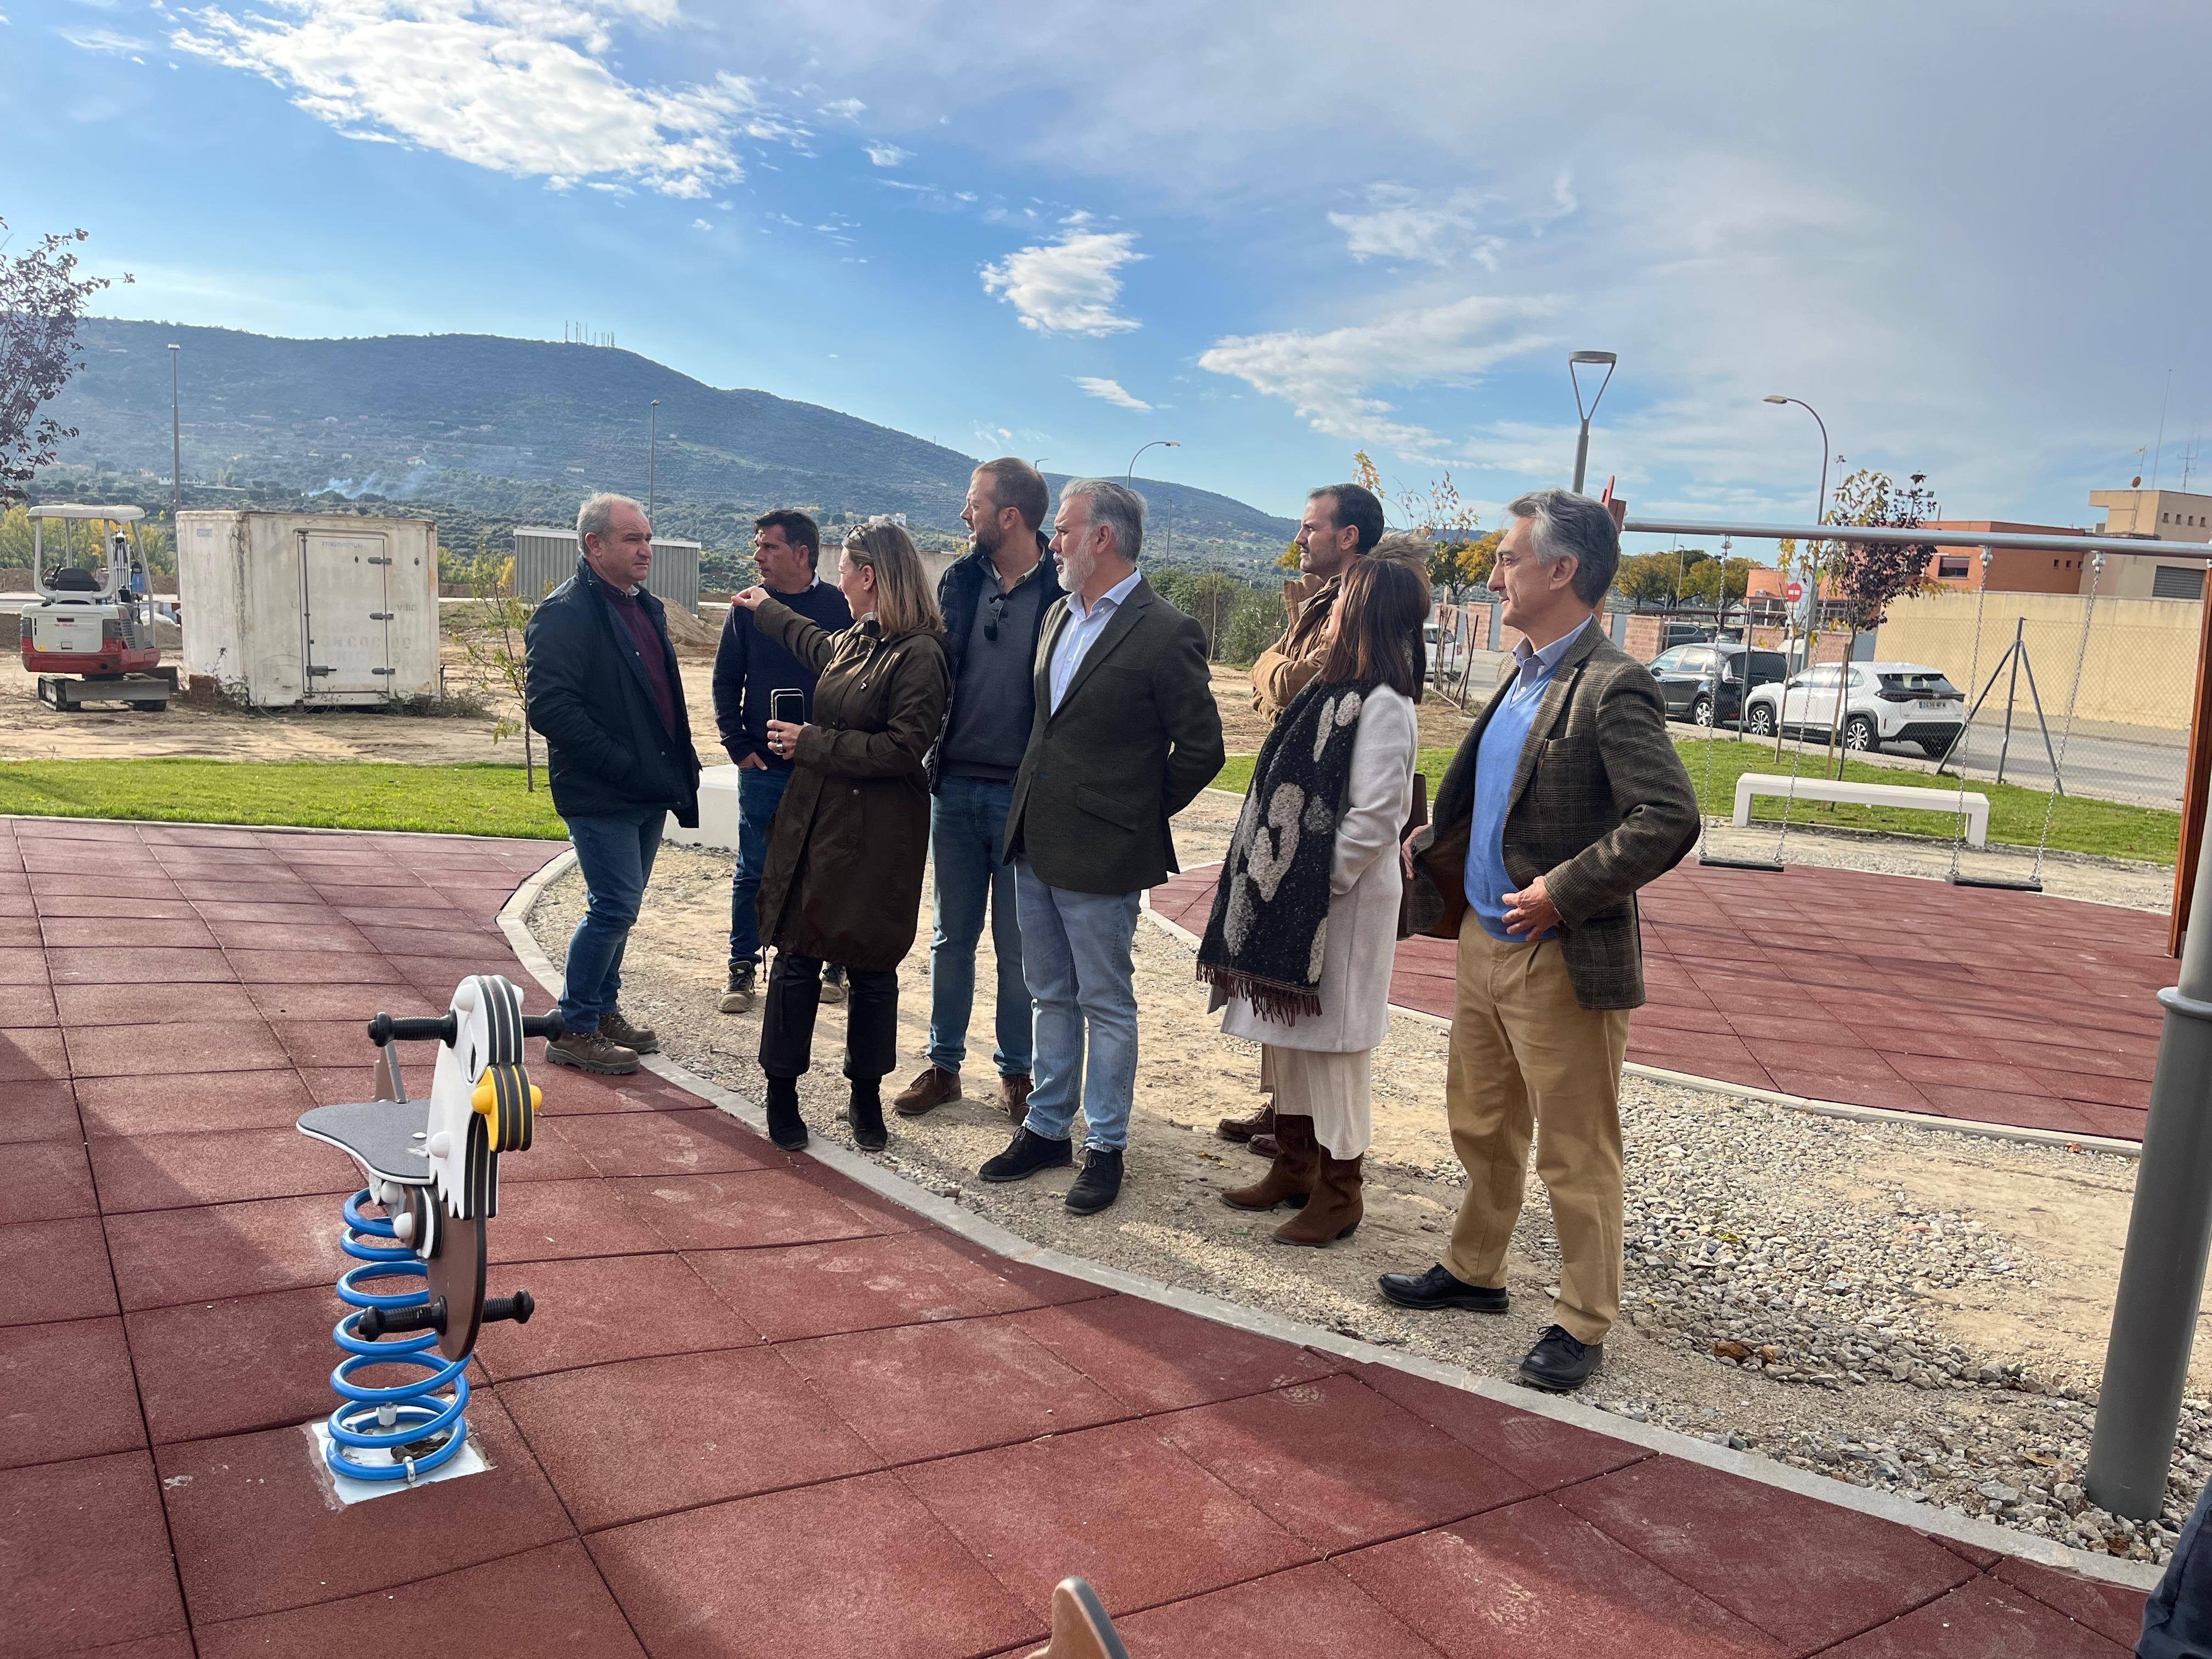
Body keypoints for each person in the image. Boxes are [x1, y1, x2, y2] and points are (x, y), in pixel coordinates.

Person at [1379, 488, 1699, 1393]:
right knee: (1481, 1121)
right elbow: (1505, 794)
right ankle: (1476, 1270)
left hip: (1556, 952)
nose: (1492, 574)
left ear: (1560, 571)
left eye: (1508, 558)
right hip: (1483, 939)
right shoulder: (1520, 672)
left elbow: (1669, 816)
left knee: (1573, 1144)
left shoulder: (1611, 682)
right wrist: (1437, 838)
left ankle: (1581, 1316)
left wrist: (1561, 892)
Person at [979, 479, 1224, 1215]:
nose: (1053, 541)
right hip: (1036, 841)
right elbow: (1047, 727)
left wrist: (1136, 816)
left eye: (1063, 528)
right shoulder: (1059, 614)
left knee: (1106, 1003)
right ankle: (1048, 1128)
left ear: (1103, 538)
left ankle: (1106, 1147)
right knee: (1049, 993)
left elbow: (1204, 746)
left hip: (1103, 853)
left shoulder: (1164, 629)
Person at [1199, 557, 1426, 1244]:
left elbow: (1376, 820)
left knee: (1337, 1050)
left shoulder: (1384, 705)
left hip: (1344, 907)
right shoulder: (1327, 695)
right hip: (1305, 905)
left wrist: (1306, 885)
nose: (1328, 617)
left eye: (1341, 606)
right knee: (1293, 1040)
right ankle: (1294, 1164)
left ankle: (1340, 1189)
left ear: (1365, 614)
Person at [729, 521, 950, 1153]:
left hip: (880, 840)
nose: (840, 583)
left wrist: (811, 742)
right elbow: (817, 646)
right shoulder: (858, 638)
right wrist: (767, 610)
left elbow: (907, 746)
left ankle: (865, 1099)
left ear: (871, 577)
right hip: (819, 825)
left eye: (846, 572)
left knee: (872, 968)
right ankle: (782, 1093)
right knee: (796, 959)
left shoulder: (922, 654)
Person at [1218, 481, 1387, 1152]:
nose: (1299, 537)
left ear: (1348, 537)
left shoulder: (1360, 607)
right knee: (1279, 969)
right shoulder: (1323, 601)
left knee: (1320, 993)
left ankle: (1320, 1144)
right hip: (1295, 798)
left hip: (1323, 821)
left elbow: (1291, 688)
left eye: (1311, 527)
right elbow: (1285, 696)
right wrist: (1280, 674)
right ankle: (1290, 1118)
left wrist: (1267, 663)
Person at [893, 459, 1062, 1124]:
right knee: (949, 938)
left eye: (974, 504)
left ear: (1009, 516)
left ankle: (1016, 1074)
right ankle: (943, 1066)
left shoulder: (1063, 589)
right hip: (954, 787)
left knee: (1017, 946)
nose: (966, 516)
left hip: (1025, 798)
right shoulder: (959, 581)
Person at [524, 492, 703, 1075]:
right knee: (614, 906)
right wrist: (624, 764)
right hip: (603, 791)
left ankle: (602, 1008)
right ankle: (574, 1026)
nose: (646, 549)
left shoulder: (643, 606)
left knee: (622, 909)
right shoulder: (567, 612)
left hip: (648, 787)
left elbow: (661, 698)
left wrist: (680, 763)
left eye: (648, 537)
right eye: (632, 539)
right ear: (594, 545)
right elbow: (550, 708)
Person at [712, 510, 854, 1016]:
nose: (758, 556)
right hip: (765, 767)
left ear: (802, 554)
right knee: (754, 868)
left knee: (828, 867)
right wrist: (736, 743)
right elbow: (726, 680)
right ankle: (742, 965)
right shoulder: (746, 607)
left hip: (824, 768)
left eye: (769, 547)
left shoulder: (839, 607)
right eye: (757, 546)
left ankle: (833, 963)